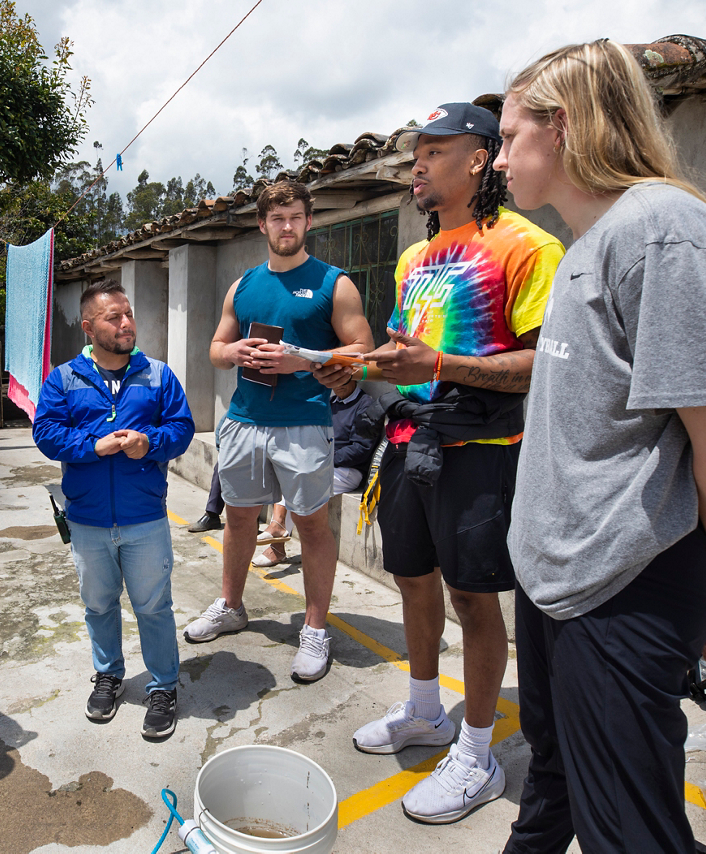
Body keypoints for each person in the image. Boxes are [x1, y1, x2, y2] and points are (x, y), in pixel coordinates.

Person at [494, 41, 706, 853]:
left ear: (566, 126)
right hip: (562, 591)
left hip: (616, 598)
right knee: (554, 784)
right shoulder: (593, 242)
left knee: (629, 832)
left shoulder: (664, 234)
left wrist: (705, 581)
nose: (501, 157)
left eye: (512, 136)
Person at [328, 103, 564, 824]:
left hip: (480, 452)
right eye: (415, 154)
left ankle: (477, 751)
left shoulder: (528, 246)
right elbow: (407, 357)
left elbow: (539, 366)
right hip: (407, 446)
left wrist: (443, 364)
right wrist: (353, 369)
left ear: (479, 158)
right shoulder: (415, 257)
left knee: (473, 600)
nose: (418, 165)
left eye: (434, 150)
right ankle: (426, 710)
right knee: (411, 581)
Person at [184, 180, 374, 684]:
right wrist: (234, 353)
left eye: (294, 217)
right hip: (245, 421)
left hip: (307, 424)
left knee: (311, 527)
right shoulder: (243, 285)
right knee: (239, 520)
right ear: (262, 224)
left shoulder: (335, 283)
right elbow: (216, 347)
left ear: (309, 222)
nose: (285, 226)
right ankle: (231, 605)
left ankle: (314, 629)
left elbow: (363, 350)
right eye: (276, 218)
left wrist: (300, 361)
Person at [33, 280, 195, 738]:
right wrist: (92, 445)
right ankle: (109, 675)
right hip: (87, 521)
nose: (127, 324)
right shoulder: (63, 379)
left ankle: (163, 685)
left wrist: (151, 443)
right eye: (114, 317)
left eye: (128, 314)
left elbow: (182, 428)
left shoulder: (159, 375)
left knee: (153, 606)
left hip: (145, 517)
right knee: (99, 605)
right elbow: (45, 434)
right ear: (88, 328)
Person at [252, 378, 383, 567]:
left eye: (342, 381)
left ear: (353, 377)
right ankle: (277, 537)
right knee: (288, 476)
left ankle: (277, 539)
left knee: (300, 483)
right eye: (332, 382)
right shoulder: (331, 403)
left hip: (348, 470)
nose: (337, 386)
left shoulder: (366, 406)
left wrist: (323, 459)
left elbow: (361, 449)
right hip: (322, 463)